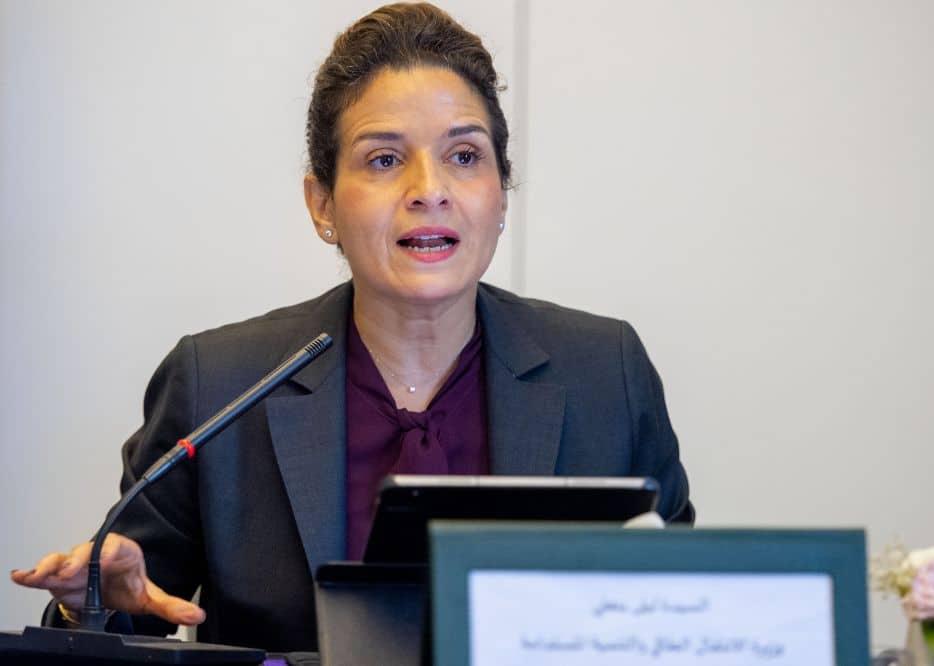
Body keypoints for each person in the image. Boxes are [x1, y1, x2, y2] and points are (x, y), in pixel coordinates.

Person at [11, 2, 692, 653]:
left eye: (464, 155)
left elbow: (686, 613)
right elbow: (118, 618)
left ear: (501, 190)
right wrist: (89, 602)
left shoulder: (606, 375)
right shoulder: (218, 383)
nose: (430, 189)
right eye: (384, 159)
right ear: (323, 205)